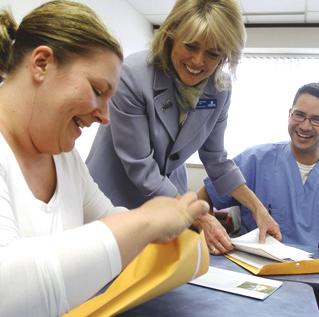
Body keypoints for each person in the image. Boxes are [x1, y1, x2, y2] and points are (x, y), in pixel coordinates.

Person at [0, 1, 211, 316]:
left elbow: (110, 220)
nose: (104, 116)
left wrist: (165, 231)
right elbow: (7, 289)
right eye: (98, 90)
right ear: (42, 63)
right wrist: (147, 220)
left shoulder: (66, 160)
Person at [86, 0, 281, 254]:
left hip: (169, 199)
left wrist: (259, 210)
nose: (198, 61)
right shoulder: (132, 76)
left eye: (213, 53)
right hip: (113, 198)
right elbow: (141, 168)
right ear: (170, 36)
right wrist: (196, 215)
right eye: (190, 45)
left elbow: (216, 160)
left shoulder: (219, 89)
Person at [202, 82, 319, 247]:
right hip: (252, 267)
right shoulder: (255, 160)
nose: (305, 126)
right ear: (289, 114)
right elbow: (203, 197)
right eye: (299, 115)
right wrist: (208, 225)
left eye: (316, 120)